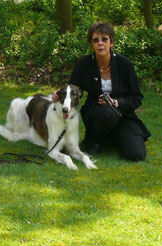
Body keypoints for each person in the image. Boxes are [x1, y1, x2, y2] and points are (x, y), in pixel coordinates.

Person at [54, 22, 151, 161]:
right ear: (91, 44)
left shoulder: (125, 64)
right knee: (107, 113)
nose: (100, 43)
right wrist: (60, 95)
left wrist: (117, 102)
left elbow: (137, 97)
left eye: (104, 39)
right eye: (95, 40)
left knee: (136, 155)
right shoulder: (84, 64)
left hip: (123, 113)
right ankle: (93, 141)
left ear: (111, 42)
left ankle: (112, 137)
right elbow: (74, 89)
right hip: (95, 112)